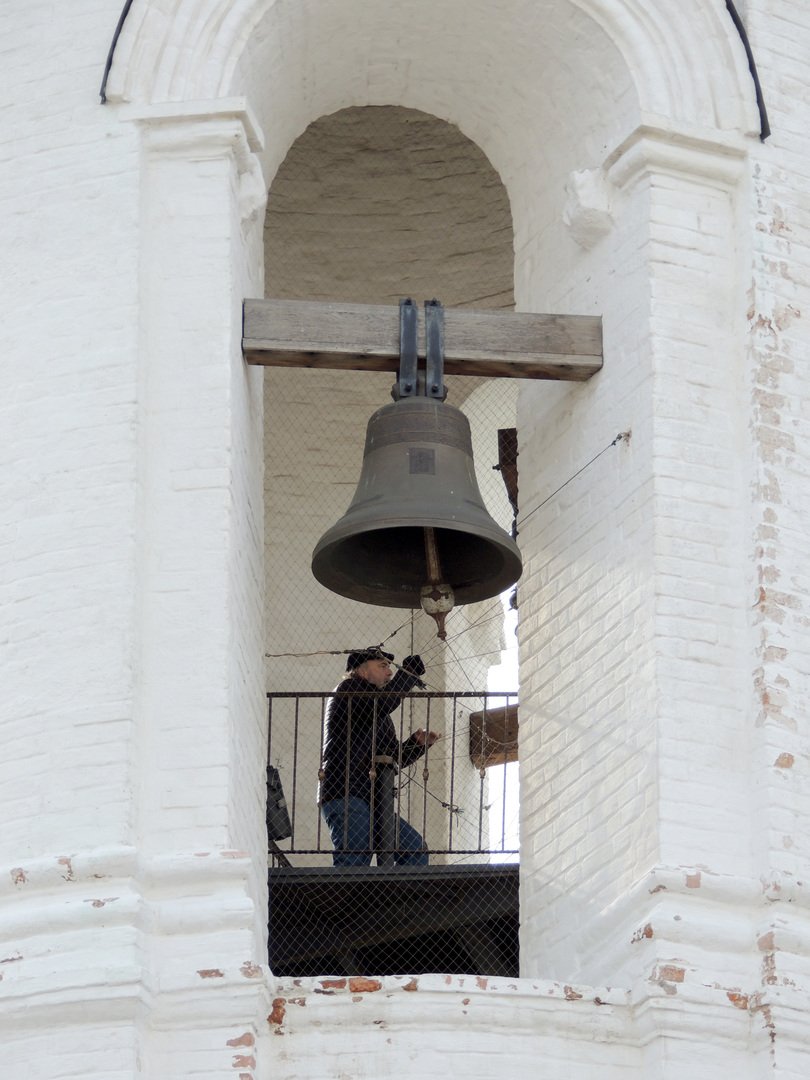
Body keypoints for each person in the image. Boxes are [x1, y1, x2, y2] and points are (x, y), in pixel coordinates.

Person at [319, 646, 439, 866]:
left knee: (415, 850)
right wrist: (409, 674)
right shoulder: (350, 689)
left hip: (371, 800)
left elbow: (393, 757)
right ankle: (349, 901)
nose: (390, 672)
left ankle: (396, 901)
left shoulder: (379, 713)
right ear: (362, 671)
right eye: (382, 666)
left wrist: (416, 744)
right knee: (354, 862)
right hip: (346, 792)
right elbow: (382, 703)